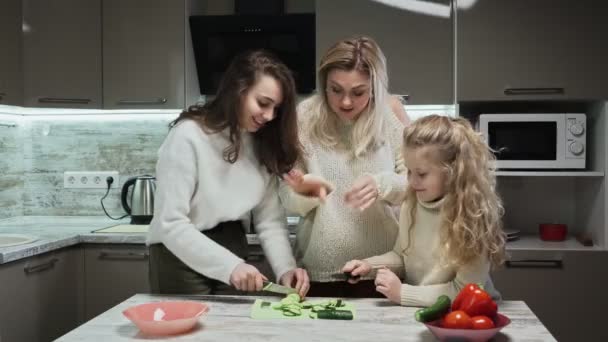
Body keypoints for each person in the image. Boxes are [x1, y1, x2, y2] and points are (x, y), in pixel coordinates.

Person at [147, 50, 309, 297]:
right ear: (237, 90)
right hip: (179, 255)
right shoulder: (187, 136)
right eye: (263, 103)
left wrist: (286, 269)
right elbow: (171, 223)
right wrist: (230, 266)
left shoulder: (262, 144)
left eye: (276, 108)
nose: (269, 116)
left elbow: (270, 222)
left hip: (234, 248)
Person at [279, 36, 407, 297]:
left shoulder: (388, 116)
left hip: (383, 272)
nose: (346, 102)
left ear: (374, 88)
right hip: (319, 273)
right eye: (335, 90)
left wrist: (382, 184)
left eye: (358, 92)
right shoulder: (304, 117)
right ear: (323, 83)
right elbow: (287, 198)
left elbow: (414, 182)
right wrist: (306, 193)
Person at [342, 115, 506, 306]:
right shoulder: (412, 204)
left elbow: (465, 292)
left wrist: (402, 293)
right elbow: (403, 257)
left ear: (453, 171)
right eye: (409, 171)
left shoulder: (473, 216)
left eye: (421, 174)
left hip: (472, 314)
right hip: (426, 311)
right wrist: (368, 266)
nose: (411, 181)